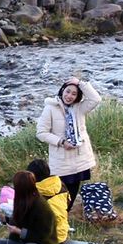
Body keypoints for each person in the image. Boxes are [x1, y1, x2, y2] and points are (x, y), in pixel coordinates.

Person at [36, 77, 102, 210]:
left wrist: (80, 83)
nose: (69, 96)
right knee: (58, 191)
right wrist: (61, 142)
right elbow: (41, 133)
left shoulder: (79, 108)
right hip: (62, 159)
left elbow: (96, 99)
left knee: (73, 190)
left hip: (79, 157)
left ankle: (64, 217)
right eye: (67, 91)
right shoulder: (50, 108)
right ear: (62, 91)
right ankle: (51, 216)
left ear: (78, 97)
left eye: (74, 93)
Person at [26, 159, 69, 244]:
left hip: (48, 239)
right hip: (62, 235)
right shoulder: (60, 184)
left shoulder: (33, 192)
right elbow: (68, 204)